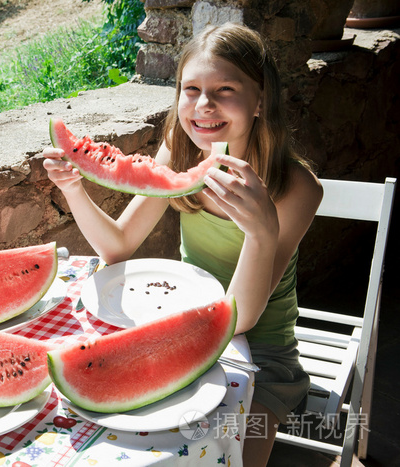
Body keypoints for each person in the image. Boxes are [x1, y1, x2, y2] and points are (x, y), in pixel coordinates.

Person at [43, 23, 323, 466]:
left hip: (262, 361)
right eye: (190, 89)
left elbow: (243, 318)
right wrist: (75, 189)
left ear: (261, 100)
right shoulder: (178, 152)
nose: (204, 105)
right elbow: (117, 246)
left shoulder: (297, 188)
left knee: (229, 459)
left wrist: (261, 231)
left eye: (225, 88)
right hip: (181, 322)